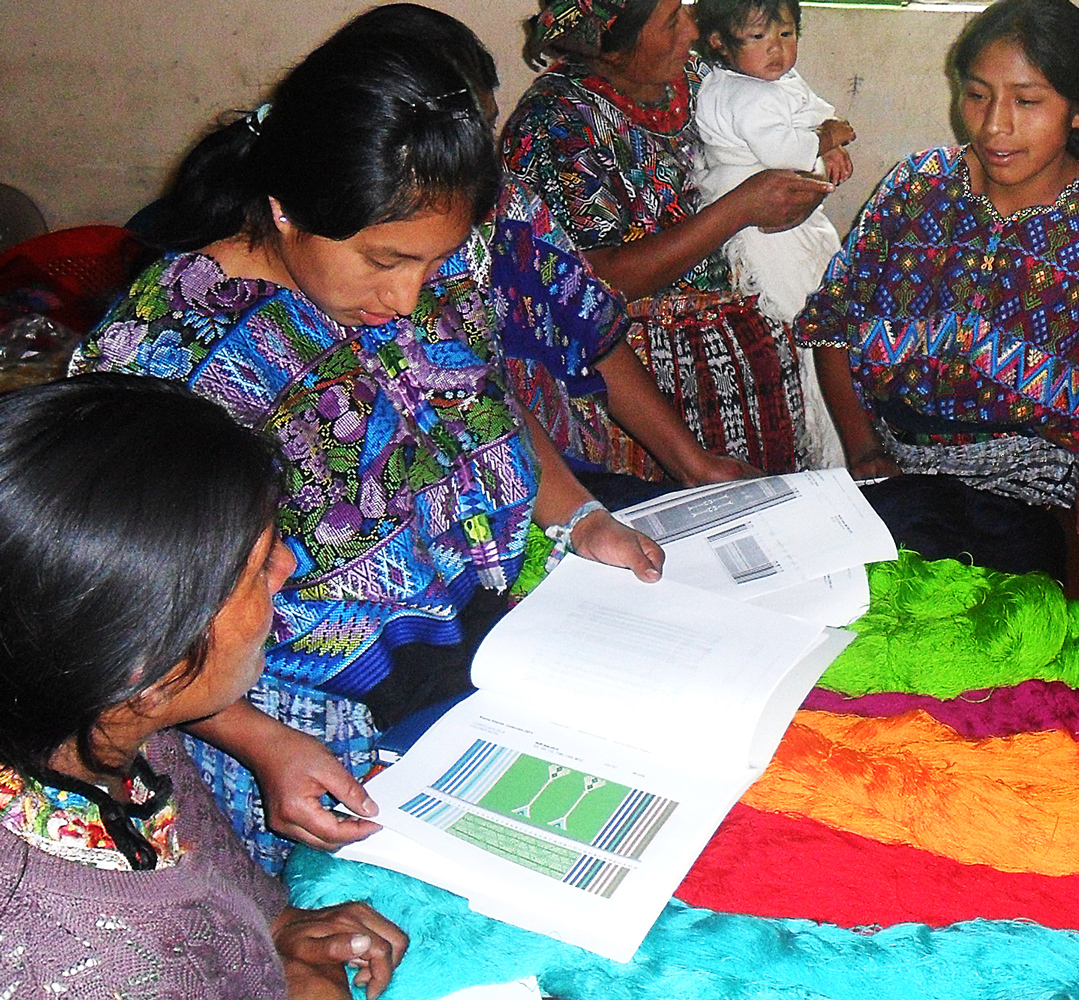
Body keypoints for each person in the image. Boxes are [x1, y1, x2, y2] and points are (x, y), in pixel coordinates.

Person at [74, 12, 666, 871]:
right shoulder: (166, 358)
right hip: (314, 743)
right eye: (385, 261)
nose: (409, 295)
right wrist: (260, 742)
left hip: (495, 663)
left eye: (432, 262)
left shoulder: (435, 261)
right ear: (285, 208)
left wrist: (580, 519)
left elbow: (482, 402)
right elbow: (118, 620)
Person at [0, 373, 408, 999]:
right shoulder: (80, 962)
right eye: (258, 566)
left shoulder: (108, 730)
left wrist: (278, 929)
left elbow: (208, 888)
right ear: (147, 667)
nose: (288, 566)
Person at [798, 0, 1079, 517]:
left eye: (1026, 102)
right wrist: (864, 449)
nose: (994, 127)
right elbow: (834, 323)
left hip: (1040, 491)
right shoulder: (916, 188)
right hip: (895, 472)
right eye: (978, 95)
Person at [502, 0, 835, 479]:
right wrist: (738, 209)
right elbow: (589, 285)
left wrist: (814, 170)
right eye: (672, 20)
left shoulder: (700, 78)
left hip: (757, 369)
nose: (694, 28)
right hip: (646, 398)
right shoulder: (559, 124)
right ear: (612, 49)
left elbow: (790, 132)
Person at [692, 0, 853, 468]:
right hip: (758, 224)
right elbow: (787, 146)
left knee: (826, 297)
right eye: (759, 38)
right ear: (720, 42)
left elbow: (814, 111)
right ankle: (826, 447)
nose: (777, 51)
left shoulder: (770, 80)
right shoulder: (743, 94)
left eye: (786, 35)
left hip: (787, 203)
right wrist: (830, 139)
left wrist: (829, 136)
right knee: (802, 317)